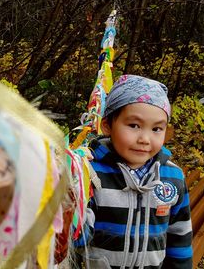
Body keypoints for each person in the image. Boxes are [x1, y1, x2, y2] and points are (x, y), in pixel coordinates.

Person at [75, 75, 192, 269]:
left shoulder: (173, 178)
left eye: (156, 129)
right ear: (107, 125)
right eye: (134, 126)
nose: (145, 138)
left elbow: (179, 237)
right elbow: (79, 238)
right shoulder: (91, 172)